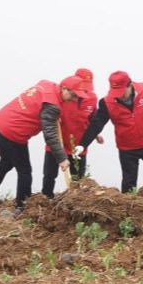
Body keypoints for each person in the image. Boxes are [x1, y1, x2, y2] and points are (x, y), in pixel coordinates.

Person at [0, 76, 91, 209]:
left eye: (76, 97)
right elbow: (49, 134)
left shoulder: (47, 85)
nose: (74, 99)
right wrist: (61, 158)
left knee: (6, 162)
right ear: (64, 88)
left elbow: (43, 107)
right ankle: (22, 206)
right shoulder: (52, 106)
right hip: (13, 132)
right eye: (73, 95)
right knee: (25, 171)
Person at [78, 71, 143, 193]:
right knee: (129, 183)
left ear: (129, 85)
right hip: (127, 148)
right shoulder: (107, 102)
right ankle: (129, 210)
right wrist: (82, 145)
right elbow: (96, 124)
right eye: (116, 92)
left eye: (121, 91)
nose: (119, 95)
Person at [41, 67, 100, 197]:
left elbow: (93, 118)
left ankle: (74, 202)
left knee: (78, 179)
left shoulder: (92, 98)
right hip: (58, 144)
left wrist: (95, 134)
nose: (84, 90)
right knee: (49, 176)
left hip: (78, 146)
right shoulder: (62, 97)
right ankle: (45, 200)